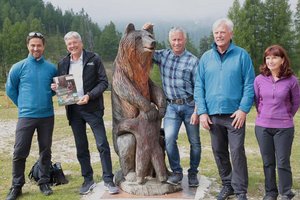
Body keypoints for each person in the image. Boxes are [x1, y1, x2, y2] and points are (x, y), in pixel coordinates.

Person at [194, 18, 255, 200]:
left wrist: (244, 109)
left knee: (236, 151)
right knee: (219, 151)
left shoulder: (241, 55)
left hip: (235, 114)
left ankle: (241, 190)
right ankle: (227, 185)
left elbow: (249, 84)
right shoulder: (205, 58)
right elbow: (199, 86)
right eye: (216, 32)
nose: (219, 35)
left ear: (231, 34)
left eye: (223, 32)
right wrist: (202, 112)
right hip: (213, 115)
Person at [51, 31, 118, 195]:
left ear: (81, 43)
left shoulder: (94, 59)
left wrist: (89, 96)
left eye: (75, 43)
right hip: (73, 110)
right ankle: (88, 180)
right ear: (67, 46)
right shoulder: (63, 63)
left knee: (102, 144)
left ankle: (108, 179)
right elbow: (63, 87)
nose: (72, 46)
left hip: (92, 108)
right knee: (81, 147)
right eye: (69, 44)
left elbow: (104, 82)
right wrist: (56, 88)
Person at [143, 24, 201, 187]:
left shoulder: (193, 61)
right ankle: (176, 171)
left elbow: (199, 87)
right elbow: (146, 48)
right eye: (174, 40)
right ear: (170, 40)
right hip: (172, 107)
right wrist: (146, 31)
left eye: (180, 39)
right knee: (169, 139)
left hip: (190, 106)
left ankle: (193, 173)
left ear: (185, 40)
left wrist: (198, 110)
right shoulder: (163, 56)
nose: (177, 43)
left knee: (195, 142)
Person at [5, 32, 57, 200]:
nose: (36, 48)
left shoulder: (51, 68)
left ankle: (43, 182)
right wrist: (23, 105)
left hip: (47, 116)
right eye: (33, 45)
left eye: (39, 45)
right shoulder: (18, 67)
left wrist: (51, 94)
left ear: (43, 47)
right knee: (19, 151)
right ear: (28, 46)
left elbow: (57, 90)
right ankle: (17, 186)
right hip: (26, 116)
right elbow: (10, 89)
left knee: (45, 150)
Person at [254, 45, 300, 200]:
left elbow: (295, 103)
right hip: (263, 127)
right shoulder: (259, 79)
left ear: (282, 60)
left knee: (282, 162)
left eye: (274, 57)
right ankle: (270, 192)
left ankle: (286, 193)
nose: (270, 61)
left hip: (284, 128)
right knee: (268, 162)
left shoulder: (292, 80)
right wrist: (264, 116)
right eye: (268, 58)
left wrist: (285, 116)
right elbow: (257, 100)